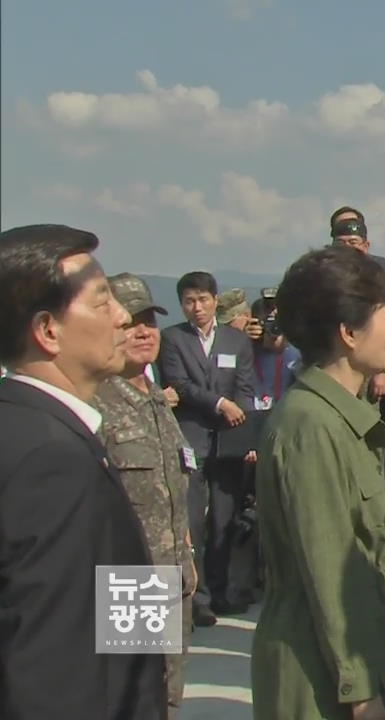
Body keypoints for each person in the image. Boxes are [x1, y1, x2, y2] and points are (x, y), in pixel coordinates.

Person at [0, 224, 167, 720]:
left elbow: (123, 583)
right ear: (48, 330)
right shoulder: (49, 457)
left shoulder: (62, 429)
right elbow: (55, 664)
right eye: (102, 303)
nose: (123, 319)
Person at [251, 244, 385, 720]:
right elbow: (328, 570)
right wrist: (362, 692)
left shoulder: (345, 415)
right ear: (348, 333)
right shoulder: (311, 427)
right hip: (324, 678)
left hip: (365, 650)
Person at [94, 272, 197, 720]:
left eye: (149, 322)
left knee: (167, 697)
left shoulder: (155, 398)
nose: (142, 332)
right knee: (136, 701)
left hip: (175, 577)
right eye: (129, 323)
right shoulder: (98, 403)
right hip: (133, 580)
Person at [160, 271, 256, 624]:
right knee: (192, 524)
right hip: (191, 438)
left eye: (202, 299)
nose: (196, 307)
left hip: (229, 441)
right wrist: (219, 404)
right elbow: (179, 384)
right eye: (189, 301)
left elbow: (245, 386)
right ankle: (195, 598)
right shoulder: (172, 339)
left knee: (224, 520)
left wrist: (245, 430)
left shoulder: (236, 340)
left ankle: (220, 591)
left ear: (215, 300)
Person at [331, 207, 385, 520]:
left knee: (382, 437)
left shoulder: (381, 281)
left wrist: (384, 370)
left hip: (374, 371)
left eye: (354, 243)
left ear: (366, 246)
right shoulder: (329, 280)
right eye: (342, 244)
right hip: (340, 372)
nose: (349, 249)